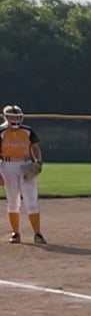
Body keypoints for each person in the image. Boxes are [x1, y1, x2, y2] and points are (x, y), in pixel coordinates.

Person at [1, 105, 45, 245]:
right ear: (6, 118)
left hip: (26, 165)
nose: (16, 119)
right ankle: (15, 233)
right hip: (8, 166)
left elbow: (35, 148)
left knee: (31, 200)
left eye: (18, 117)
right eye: (12, 117)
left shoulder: (27, 131)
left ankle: (37, 233)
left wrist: (38, 162)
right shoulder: (1, 132)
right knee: (13, 201)